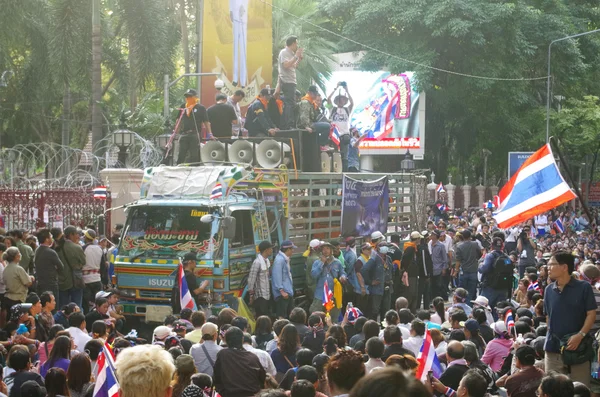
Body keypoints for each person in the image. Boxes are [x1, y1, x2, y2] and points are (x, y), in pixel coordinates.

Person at [544, 251, 597, 386]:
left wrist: (580, 335)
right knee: (552, 389)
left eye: (552, 264)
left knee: (579, 388)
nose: (548, 268)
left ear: (564, 267)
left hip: (579, 349)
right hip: (553, 348)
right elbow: (548, 317)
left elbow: (591, 314)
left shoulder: (583, 287)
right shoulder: (549, 290)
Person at [214, 327, 266, 397]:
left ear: (225, 340)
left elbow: (216, 377)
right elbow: (262, 378)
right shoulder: (252, 357)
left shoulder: (223, 354)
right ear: (242, 339)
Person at [310, 241, 347, 321]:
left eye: (327, 248)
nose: (325, 251)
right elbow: (313, 275)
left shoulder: (337, 262)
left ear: (331, 250)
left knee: (333, 318)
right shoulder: (317, 262)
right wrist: (322, 263)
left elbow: (343, 273)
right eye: (323, 249)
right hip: (320, 295)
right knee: (316, 318)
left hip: (333, 295)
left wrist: (343, 277)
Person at [176, 89, 211, 164]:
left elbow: (206, 121)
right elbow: (179, 120)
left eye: (190, 96)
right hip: (184, 134)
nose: (189, 98)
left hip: (195, 134)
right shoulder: (183, 106)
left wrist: (210, 134)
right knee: (181, 154)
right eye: (187, 96)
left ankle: (194, 170)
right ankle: (178, 169)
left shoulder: (201, 108)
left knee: (194, 155)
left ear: (195, 97)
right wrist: (176, 132)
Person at [479, 237, 513, 313]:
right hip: (503, 286)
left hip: (490, 286)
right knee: (499, 310)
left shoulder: (490, 256)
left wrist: (480, 264)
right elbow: (510, 268)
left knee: (483, 308)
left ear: (491, 245)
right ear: (502, 246)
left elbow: (484, 269)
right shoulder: (506, 257)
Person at [56, 226, 85, 309]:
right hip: (76, 280)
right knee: (77, 306)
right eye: (76, 234)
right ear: (71, 235)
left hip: (62, 281)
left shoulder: (58, 247)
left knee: (63, 307)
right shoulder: (77, 247)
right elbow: (83, 261)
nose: (78, 236)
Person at [327, 83, 354, 171]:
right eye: (339, 99)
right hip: (335, 136)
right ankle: (336, 172)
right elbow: (328, 99)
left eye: (342, 99)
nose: (341, 101)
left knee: (345, 156)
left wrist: (347, 90)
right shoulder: (332, 109)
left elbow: (352, 103)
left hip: (345, 135)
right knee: (336, 154)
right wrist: (335, 88)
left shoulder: (347, 109)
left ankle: (344, 174)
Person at [362, 242, 392, 320]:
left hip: (387, 287)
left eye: (386, 246)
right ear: (378, 248)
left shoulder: (388, 258)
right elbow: (364, 270)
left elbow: (391, 270)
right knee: (375, 310)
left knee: (386, 309)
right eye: (383, 246)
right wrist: (370, 282)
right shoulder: (374, 258)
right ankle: (373, 326)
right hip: (377, 289)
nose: (385, 248)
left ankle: (383, 326)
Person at [2, 247, 33, 322]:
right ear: (16, 256)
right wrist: (31, 279)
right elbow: (28, 283)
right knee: (18, 322)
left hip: (7, 298)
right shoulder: (18, 269)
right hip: (18, 299)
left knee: (10, 321)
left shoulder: (5, 269)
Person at [278, 36, 303, 129]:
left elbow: (293, 66)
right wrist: (296, 56)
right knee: (290, 103)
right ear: (292, 44)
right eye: (296, 43)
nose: (297, 45)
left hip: (291, 80)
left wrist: (298, 59)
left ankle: (286, 124)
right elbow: (286, 65)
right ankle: (289, 125)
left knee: (290, 103)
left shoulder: (291, 53)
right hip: (287, 81)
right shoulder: (284, 52)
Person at [33, 229, 64, 300]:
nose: (52, 239)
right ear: (47, 239)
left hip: (40, 283)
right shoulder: (51, 252)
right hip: (51, 283)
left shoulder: (37, 250)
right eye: (51, 237)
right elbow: (61, 267)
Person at [454, 230, 481, 301]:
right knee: (472, 291)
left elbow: (458, 260)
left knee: (461, 292)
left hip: (464, 271)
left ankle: (462, 305)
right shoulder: (475, 244)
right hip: (473, 271)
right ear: (470, 236)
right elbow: (480, 254)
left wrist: (456, 271)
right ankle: (470, 306)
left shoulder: (459, 246)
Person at [81, 229, 104, 313]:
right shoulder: (99, 249)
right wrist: (104, 281)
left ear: (86, 238)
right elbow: (103, 266)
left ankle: (87, 319)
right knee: (98, 302)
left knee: (86, 304)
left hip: (86, 280)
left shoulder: (83, 248)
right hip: (97, 279)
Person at [248, 241, 273, 318]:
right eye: (270, 249)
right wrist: (251, 295)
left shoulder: (266, 261)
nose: (271, 250)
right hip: (260, 295)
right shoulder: (257, 262)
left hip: (267, 294)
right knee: (261, 316)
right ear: (266, 250)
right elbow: (251, 279)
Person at [272, 241, 296, 319]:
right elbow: (277, 276)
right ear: (288, 249)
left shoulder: (284, 259)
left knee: (289, 313)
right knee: (282, 315)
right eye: (292, 249)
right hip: (283, 293)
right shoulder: (279, 260)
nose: (293, 251)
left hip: (287, 291)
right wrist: (281, 291)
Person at [429, 230, 448, 301]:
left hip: (439, 268)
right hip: (431, 269)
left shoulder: (441, 246)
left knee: (439, 285)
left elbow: (444, 258)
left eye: (433, 234)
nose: (431, 235)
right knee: (432, 286)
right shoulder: (429, 245)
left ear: (436, 236)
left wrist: (444, 268)